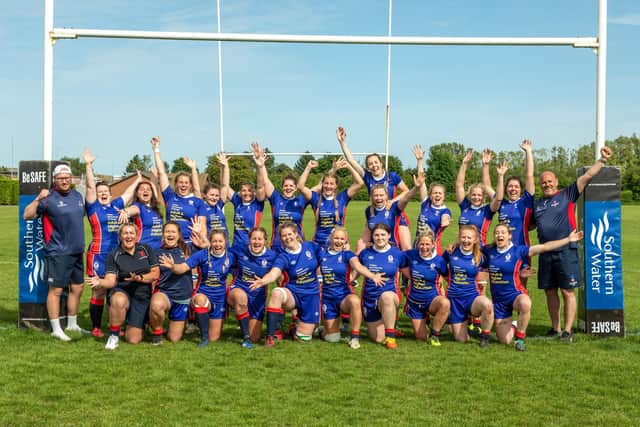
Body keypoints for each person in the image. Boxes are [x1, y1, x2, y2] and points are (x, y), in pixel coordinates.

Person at [533, 146, 613, 342]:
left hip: (566, 251)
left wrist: (601, 160)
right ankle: (555, 328)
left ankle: (567, 331)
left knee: (567, 291)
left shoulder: (567, 194)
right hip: (545, 253)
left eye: (550, 181)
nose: (547, 185)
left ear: (556, 182)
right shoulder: (538, 204)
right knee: (550, 291)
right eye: (543, 182)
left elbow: (587, 176)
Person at [484, 223, 584, 351]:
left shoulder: (518, 251)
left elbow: (544, 247)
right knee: (504, 340)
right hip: (499, 302)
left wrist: (568, 240)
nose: (499, 235)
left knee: (525, 303)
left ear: (509, 236)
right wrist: (454, 246)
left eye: (503, 232)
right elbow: (472, 247)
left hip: (515, 296)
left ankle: (520, 339)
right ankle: (515, 325)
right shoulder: (489, 250)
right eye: (497, 233)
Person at [23, 164, 86, 341]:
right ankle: (56, 329)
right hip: (58, 252)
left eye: (67, 177)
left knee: (77, 288)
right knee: (56, 290)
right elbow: (26, 215)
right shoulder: (48, 198)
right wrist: (37, 198)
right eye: (61, 178)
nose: (65, 181)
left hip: (77, 251)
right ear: (55, 180)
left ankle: (72, 324)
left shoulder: (77, 196)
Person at [83, 149, 137, 338]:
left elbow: (129, 193)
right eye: (100, 192)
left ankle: (116, 325)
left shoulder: (116, 205)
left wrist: (138, 179)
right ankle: (96, 327)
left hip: (116, 255)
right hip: (98, 253)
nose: (103, 194)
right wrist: (89, 165)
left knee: (115, 290)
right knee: (98, 290)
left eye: (106, 191)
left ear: (110, 193)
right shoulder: (93, 206)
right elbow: (90, 187)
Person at [337, 126, 412, 250]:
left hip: (395, 214)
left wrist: (392, 201)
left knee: (405, 247)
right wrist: (342, 142)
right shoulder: (367, 177)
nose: (374, 165)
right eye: (370, 163)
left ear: (381, 163)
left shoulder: (392, 176)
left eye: (376, 162)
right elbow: (351, 160)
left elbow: (406, 191)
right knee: (367, 245)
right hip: (376, 215)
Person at [249, 222, 322, 347]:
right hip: (293, 294)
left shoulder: (311, 246)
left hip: (311, 295)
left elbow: (324, 260)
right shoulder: (283, 257)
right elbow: (274, 273)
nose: (287, 237)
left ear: (296, 234)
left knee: (304, 338)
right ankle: (270, 336)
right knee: (277, 292)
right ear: (281, 238)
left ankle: (295, 327)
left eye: (290, 234)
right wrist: (263, 280)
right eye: (284, 236)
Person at [89, 223, 160, 350]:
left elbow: (155, 273)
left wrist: (140, 278)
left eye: (131, 233)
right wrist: (100, 282)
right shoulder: (114, 254)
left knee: (133, 339)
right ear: (120, 236)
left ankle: (137, 321)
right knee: (118, 300)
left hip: (141, 294)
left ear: (137, 236)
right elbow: (111, 280)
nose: (128, 236)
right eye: (125, 233)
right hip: (122, 290)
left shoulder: (146, 249)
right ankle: (114, 336)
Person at [161, 229, 234, 347]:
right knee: (200, 301)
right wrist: (173, 266)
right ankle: (203, 338)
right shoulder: (202, 255)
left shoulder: (230, 256)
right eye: (214, 241)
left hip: (220, 299)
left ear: (225, 242)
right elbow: (183, 267)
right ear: (210, 242)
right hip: (203, 294)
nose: (217, 244)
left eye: (220, 241)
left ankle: (204, 327)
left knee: (214, 338)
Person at [318, 227, 385, 349]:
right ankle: (323, 330)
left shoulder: (347, 254)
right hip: (328, 297)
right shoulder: (322, 253)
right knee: (333, 339)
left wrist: (372, 276)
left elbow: (357, 266)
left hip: (343, 296)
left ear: (346, 241)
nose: (339, 241)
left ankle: (354, 338)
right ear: (331, 239)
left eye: (342, 239)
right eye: (336, 238)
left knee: (355, 300)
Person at [442, 225, 494, 347]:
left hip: (472, 298)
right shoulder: (451, 252)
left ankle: (485, 337)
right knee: (461, 340)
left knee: (487, 305)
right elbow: (439, 265)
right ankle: (465, 324)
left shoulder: (480, 256)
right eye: (463, 237)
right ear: (459, 238)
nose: (466, 240)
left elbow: (495, 266)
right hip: (454, 300)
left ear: (475, 239)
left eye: (469, 238)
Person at [226, 227, 278, 348]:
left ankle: (247, 329)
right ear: (249, 240)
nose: (256, 242)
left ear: (265, 241)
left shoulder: (272, 256)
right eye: (253, 238)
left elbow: (278, 273)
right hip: (239, 288)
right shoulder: (240, 250)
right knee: (241, 298)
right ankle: (246, 338)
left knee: (256, 337)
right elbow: (222, 254)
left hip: (258, 297)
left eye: (260, 239)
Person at [252, 143, 310, 251]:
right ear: (282, 187)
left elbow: (321, 188)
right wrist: (261, 164)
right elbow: (266, 181)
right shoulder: (276, 198)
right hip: (277, 245)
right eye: (286, 186)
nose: (288, 188)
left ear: (296, 188)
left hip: (297, 245)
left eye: (291, 186)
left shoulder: (301, 200)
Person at [358, 223, 407, 349]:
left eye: (383, 235)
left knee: (386, 297)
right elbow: (354, 273)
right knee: (378, 339)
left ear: (389, 235)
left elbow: (409, 273)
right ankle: (388, 326)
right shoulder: (364, 254)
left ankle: (391, 336)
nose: (380, 238)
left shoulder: (397, 254)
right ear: (372, 237)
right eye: (376, 235)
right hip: (370, 299)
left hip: (390, 296)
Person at [150, 136, 207, 243]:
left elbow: (203, 226)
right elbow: (162, 173)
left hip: (191, 243)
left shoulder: (198, 202)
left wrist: (202, 242)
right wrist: (156, 148)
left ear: (190, 185)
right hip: (171, 243)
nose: (183, 185)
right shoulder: (170, 197)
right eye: (180, 182)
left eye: (186, 183)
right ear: (176, 184)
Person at [298, 158, 364, 247]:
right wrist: (308, 168)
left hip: (339, 243)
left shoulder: (342, 198)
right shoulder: (315, 198)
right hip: (319, 243)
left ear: (336, 186)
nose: (328, 186)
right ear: (322, 184)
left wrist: (349, 167)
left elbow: (359, 183)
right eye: (326, 183)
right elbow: (300, 186)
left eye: (331, 184)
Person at [150, 221, 197, 345]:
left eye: (173, 232)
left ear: (179, 235)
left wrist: (200, 234)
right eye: (167, 232)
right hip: (165, 293)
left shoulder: (188, 249)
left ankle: (172, 327)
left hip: (182, 297)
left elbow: (208, 249)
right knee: (156, 304)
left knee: (174, 338)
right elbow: (153, 275)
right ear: (163, 234)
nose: (170, 234)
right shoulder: (157, 252)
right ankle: (157, 332)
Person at [401, 231, 450, 346]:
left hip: (431, 300)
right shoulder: (410, 254)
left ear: (433, 245)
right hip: (414, 302)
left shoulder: (439, 261)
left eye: (427, 244)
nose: (424, 247)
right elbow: (395, 256)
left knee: (445, 303)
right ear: (417, 244)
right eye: (421, 244)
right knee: (421, 338)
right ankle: (425, 320)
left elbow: (448, 278)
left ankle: (434, 334)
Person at [484, 140, 535, 247]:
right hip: (502, 250)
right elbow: (487, 186)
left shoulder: (526, 201)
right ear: (506, 189)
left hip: (521, 250)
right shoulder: (501, 202)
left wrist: (528, 151)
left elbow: (529, 175)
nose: (513, 189)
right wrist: (486, 164)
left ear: (521, 189)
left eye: (516, 187)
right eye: (510, 186)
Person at [361, 173, 424, 251]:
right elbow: (368, 230)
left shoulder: (393, 208)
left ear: (386, 196)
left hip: (392, 250)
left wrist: (416, 188)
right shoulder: (369, 210)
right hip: (374, 251)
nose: (378, 198)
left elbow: (406, 198)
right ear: (372, 197)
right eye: (376, 195)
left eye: (381, 195)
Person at [217, 152, 265, 253]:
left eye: (249, 190)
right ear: (240, 192)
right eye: (243, 190)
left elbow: (260, 186)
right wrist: (224, 167)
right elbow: (224, 185)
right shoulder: (237, 202)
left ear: (254, 192)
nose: (246, 193)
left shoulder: (258, 204)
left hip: (251, 246)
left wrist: (259, 166)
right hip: (235, 247)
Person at [455, 149, 497, 246]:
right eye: (473, 194)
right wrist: (464, 164)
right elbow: (459, 185)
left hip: (479, 250)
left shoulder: (487, 210)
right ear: (469, 195)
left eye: (479, 195)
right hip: (462, 248)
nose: (476, 197)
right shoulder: (465, 206)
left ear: (484, 196)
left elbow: (490, 189)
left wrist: (485, 165)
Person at [118, 172, 164, 250]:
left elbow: (154, 187)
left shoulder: (154, 208)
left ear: (152, 193)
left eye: (148, 190)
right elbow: (133, 210)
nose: (145, 191)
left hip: (158, 250)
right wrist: (126, 212)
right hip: (142, 250)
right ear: (137, 193)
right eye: (142, 189)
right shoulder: (138, 206)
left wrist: (154, 175)